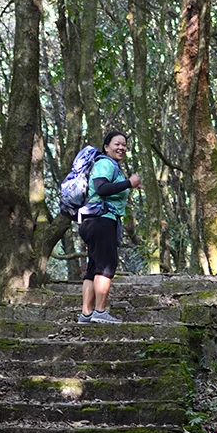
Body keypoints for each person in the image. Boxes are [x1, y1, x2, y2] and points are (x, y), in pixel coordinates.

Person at [78, 129, 141, 324]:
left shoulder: (109, 165)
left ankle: (86, 314)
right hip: (102, 220)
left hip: (93, 221)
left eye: (124, 145)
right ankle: (99, 312)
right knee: (106, 266)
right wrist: (128, 184)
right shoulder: (105, 163)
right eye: (117, 144)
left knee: (93, 267)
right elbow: (101, 187)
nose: (121, 147)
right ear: (106, 147)